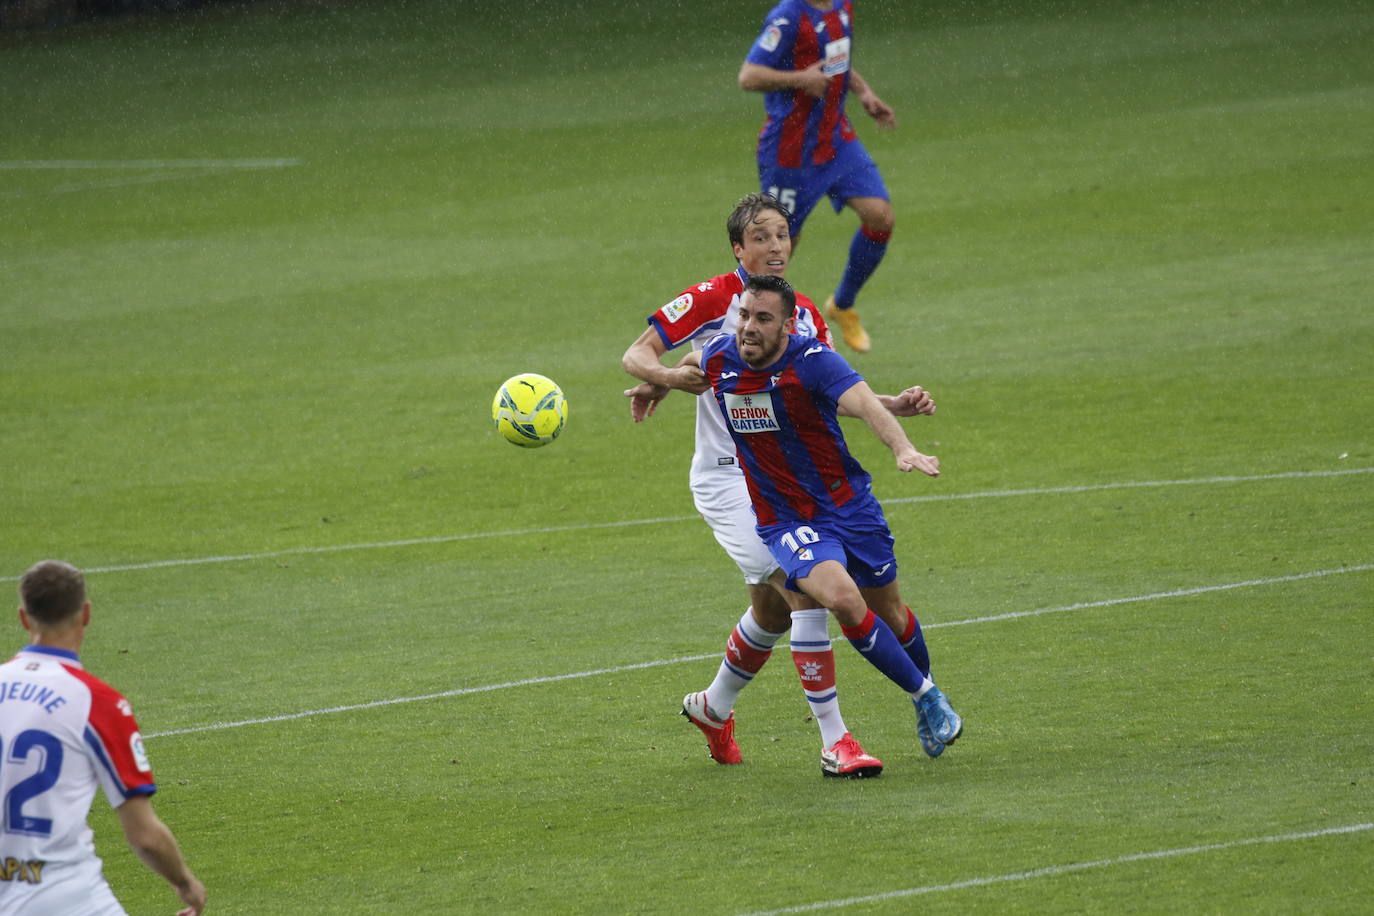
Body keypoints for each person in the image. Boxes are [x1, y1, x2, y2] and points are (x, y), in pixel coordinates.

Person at [622, 193, 937, 776]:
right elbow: (635, 354)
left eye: (783, 236)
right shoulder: (714, 300)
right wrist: (668, 377)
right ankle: (836, 742)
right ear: (738, 248)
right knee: (806, 590)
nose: (775, 247)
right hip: (728, 482)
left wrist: (889, 406)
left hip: (788, 484)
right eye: (761, 237)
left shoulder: (803, 314)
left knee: (771, 611)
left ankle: (712, 708)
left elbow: (825, 395)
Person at [681, 274, 964, 757]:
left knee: (889, 612)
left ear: (788, 325)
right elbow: (688, 366)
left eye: (763, 319)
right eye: (745, 315)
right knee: (837, 597)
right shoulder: (720, 356)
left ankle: (926, 698)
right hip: (784, 518)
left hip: (847, 506)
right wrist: (658, 384)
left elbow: (865, 405)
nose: (749, 327)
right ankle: (917, 701)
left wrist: (903, 448)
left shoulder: (814, 362)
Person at [1, 560, 206, 916]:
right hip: (62, 897)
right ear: (86, 614)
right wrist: (185, 883)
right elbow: (144, 836)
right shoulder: (97, 702)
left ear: (23, 617)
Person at [739, 0, 897, 354]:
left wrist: (863, 92)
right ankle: (753, 338)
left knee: (880, 217)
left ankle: (841, 306)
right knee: (777, 250)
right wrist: (800, 79)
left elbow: (835, 60)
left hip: (836, 142)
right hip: (790, 153)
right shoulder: (789, 16)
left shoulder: (842, 7)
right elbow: (748, 76)